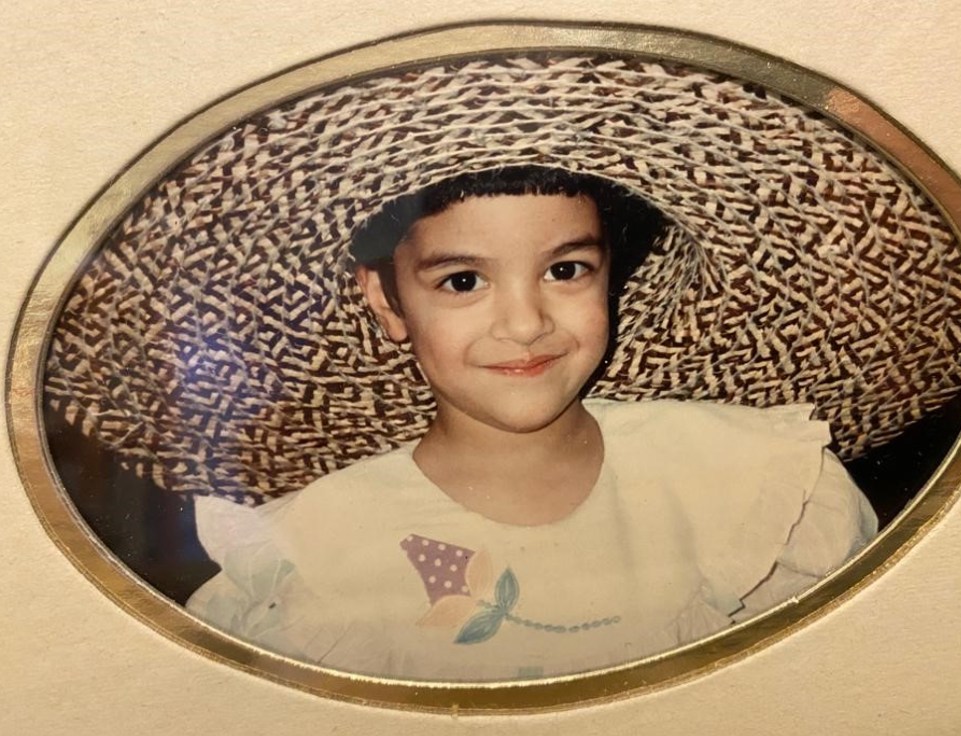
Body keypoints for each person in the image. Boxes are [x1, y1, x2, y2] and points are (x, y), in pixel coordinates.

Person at [186, 166, 877, 682]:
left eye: (566, 270)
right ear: (387, 300)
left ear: (611, 277)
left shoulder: (751, 486)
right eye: (463, 281)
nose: (525, 324)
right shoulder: (314, 554)